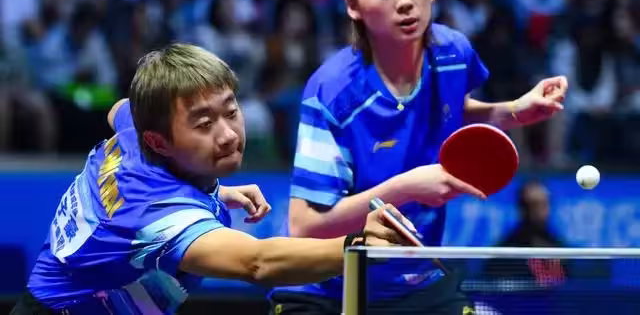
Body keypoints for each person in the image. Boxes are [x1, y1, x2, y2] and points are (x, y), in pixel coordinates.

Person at [269, 0, 568, 314]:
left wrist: (512, 111)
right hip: (325, 286)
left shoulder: (453, 53)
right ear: (354, 6)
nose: (405, 1)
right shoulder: (333, 93)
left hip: (415, 281)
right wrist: (407, 188)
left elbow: (449, 110)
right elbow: (306, 225)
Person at [12, 43, 413, 315]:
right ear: (159, 141)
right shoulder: (158, 216)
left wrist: (216, 190)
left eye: (231, 111)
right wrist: (356, 246)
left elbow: (119, 108)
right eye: (204, 124)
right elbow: (258, 263)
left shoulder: (136, 129)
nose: (228, 135)